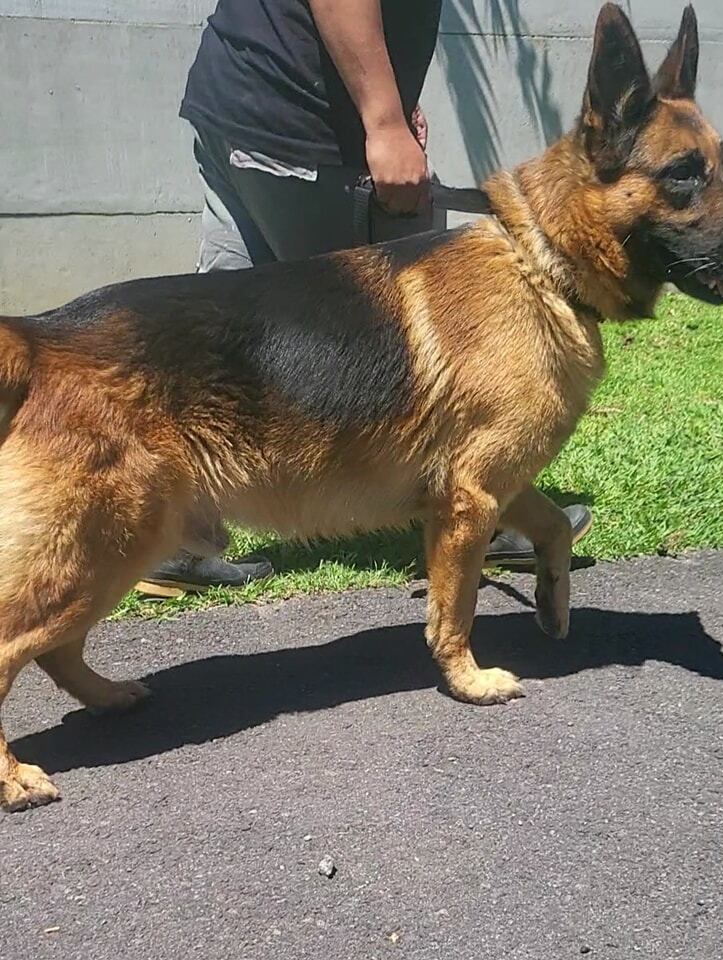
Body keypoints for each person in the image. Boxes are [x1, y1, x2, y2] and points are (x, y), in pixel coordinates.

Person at [137, 0, 591, 596]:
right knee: (395, 341)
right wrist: (383, 121)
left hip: (239, 99)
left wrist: (392, 103)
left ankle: (172, 538)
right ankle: (484, 511)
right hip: (307, 127)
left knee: (221, 326)